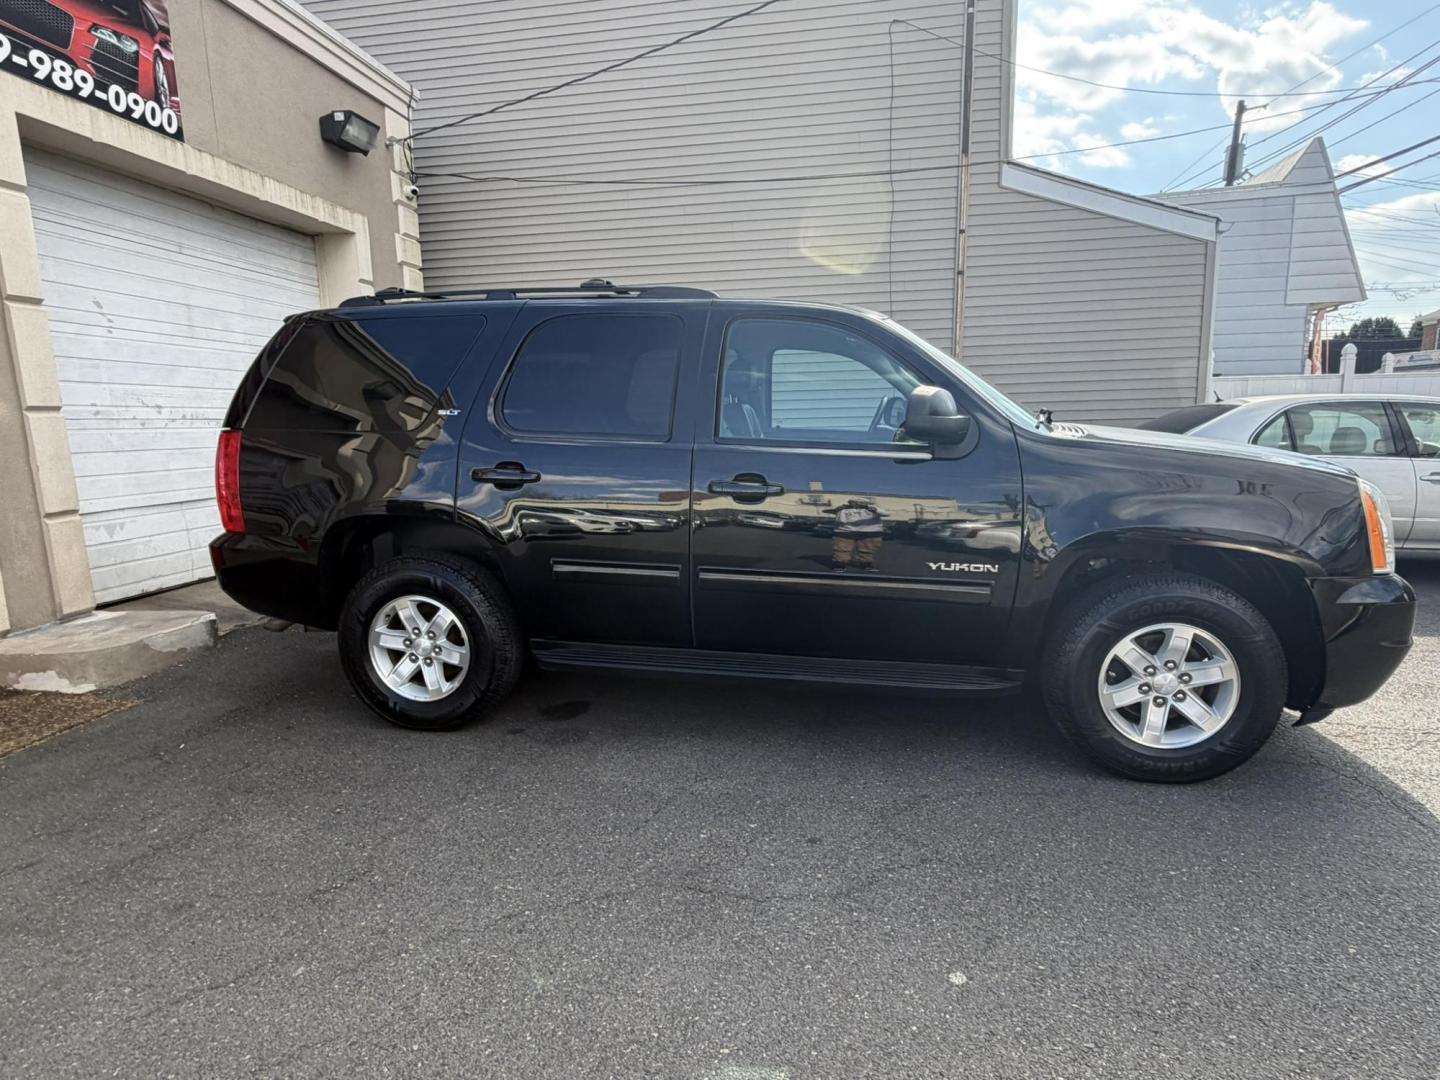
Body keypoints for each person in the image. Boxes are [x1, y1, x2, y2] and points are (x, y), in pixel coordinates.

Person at [828, 498, 885, 571]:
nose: (857, 504)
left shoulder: (873, 508)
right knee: (842, 549)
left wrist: (872, 509)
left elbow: (886, 514)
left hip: (870, 532)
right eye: (854, 502)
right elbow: (828, 511)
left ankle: (866, 563)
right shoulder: (843, 508)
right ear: (850, 503)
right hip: (845, 531)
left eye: (860, 503)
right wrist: (838, 509)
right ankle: (840, 564)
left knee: (867, 549)